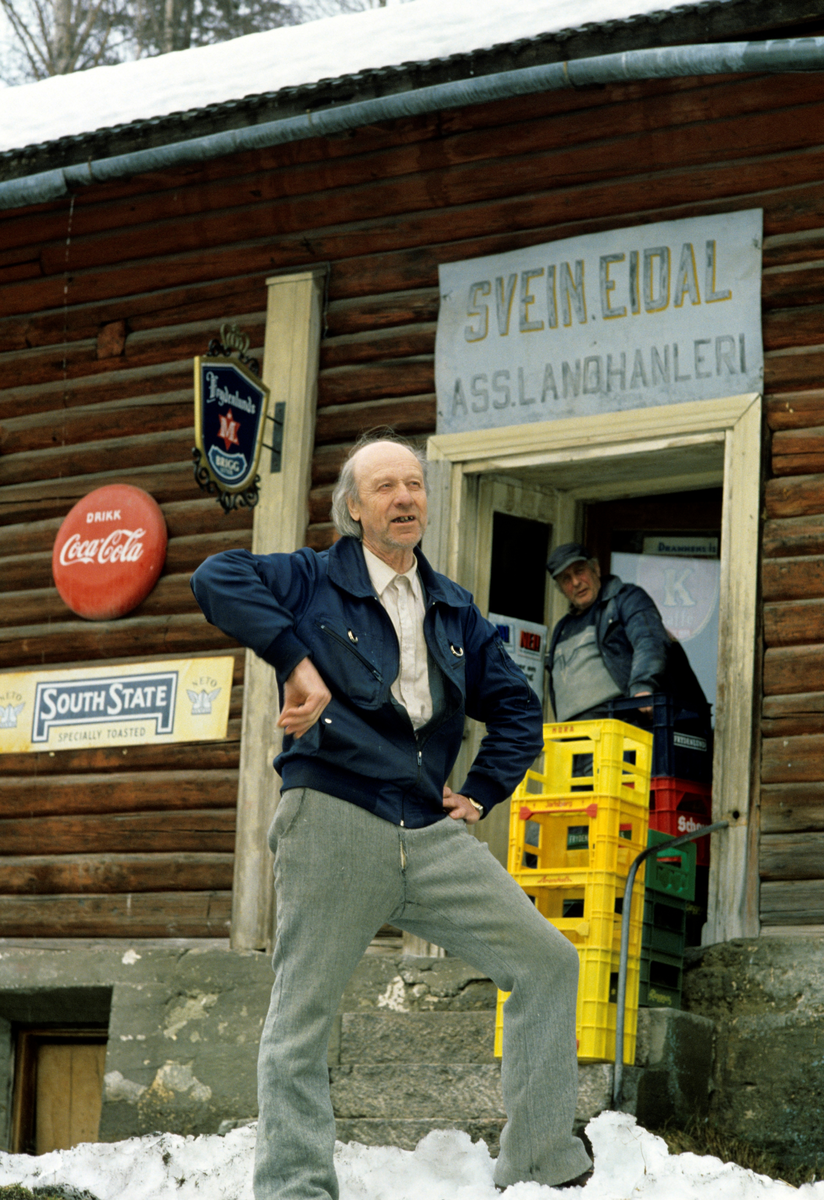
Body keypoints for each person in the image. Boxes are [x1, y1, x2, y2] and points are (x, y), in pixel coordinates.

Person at [190, 435, 593, 1200]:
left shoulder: (453, 608)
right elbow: (216, 575)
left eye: (414, 484)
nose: (404, 498)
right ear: (352, 507)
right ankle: (297, 1186)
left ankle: (541, 1167)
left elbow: (514, 707)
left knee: (548, 962)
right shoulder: (311, 578)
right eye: (384, 487)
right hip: (335, 815)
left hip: (430, 830)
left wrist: (480, 791)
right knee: (302, 1013)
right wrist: (295, 659)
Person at [545, 542, 710, 724]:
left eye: (579, 571)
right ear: (560, 589)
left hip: (618, 728)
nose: (576, 582)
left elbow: (648, 639)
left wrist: (642, 687)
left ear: (596, 569)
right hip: (572, 738)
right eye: (566, 579)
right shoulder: (561, 628)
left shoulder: (626, 599)